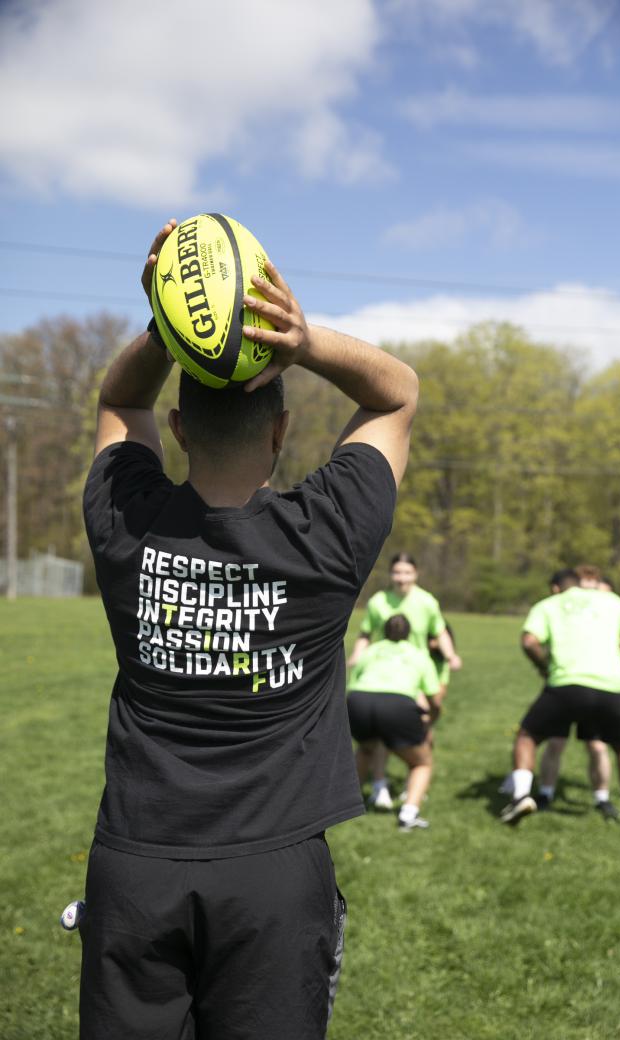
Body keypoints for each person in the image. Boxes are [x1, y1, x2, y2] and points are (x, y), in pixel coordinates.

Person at [78, 219, 419, 1039]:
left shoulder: (127, 522)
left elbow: (120, 400)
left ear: (181, 431)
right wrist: (296, 341)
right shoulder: (328, 531)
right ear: (282, 430)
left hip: (135, 861)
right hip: (274, 870)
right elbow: (396, 390)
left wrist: (173, 324)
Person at [501, 568, 620, 828]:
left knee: (527, 736)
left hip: (567, 684)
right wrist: (618, 651)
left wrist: (545, 667)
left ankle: (521, 796)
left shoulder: (549, 604)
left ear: (556, 588)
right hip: (612, 684)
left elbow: (529, 641)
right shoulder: (608, 599)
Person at [537, 566, 620, 816]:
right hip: (570, 680)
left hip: (606, 683)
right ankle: (543, 793)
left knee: (606, 744)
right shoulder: (569, 608)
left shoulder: (609, 604)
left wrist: (617, 651)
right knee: (556, 742)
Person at [347, 554, 461, 809]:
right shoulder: (378, 601)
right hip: (387, 671)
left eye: (407, 573)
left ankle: (416, 786)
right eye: (397, 572)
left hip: (420, 671)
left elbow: (439, 630)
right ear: (391, 574)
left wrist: (451, 655)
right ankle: (380, 785)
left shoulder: (426, 602)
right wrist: (356, 654)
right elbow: (366, 633)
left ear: (416, 574)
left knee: (425, 726)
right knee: (382, 731)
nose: (402, 578)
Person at [347, 614, 439, 831]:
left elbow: (353, 683)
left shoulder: (370, 650)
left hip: (358, 701)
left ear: (383, 631)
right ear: (410, 634)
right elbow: (434, 698)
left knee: (367, 748)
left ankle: (348, 804)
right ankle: (408, 816)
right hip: (397, 704)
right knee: (421, 763)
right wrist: (430, 720)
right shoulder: (419, 654)